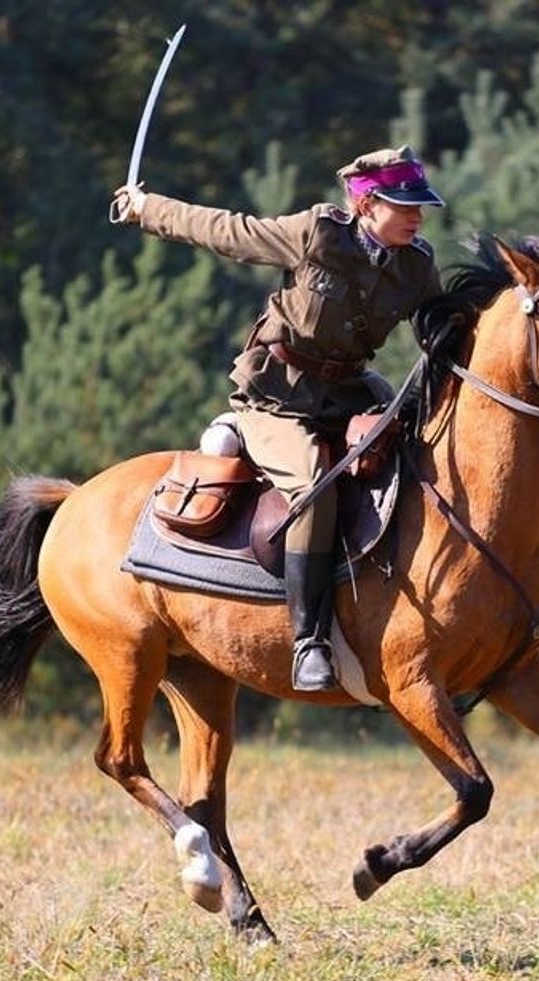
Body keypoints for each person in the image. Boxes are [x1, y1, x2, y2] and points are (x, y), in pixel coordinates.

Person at [113, 145, 444, 692]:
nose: (417, 217)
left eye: (420, 207)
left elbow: (444, 324)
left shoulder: (417, 265)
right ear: (366, 206)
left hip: (352, 392)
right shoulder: (318, 234)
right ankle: (309, 641)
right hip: (278, 396)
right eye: (403, 206)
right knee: (315, 487)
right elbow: (227, 231)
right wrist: (148, 210)